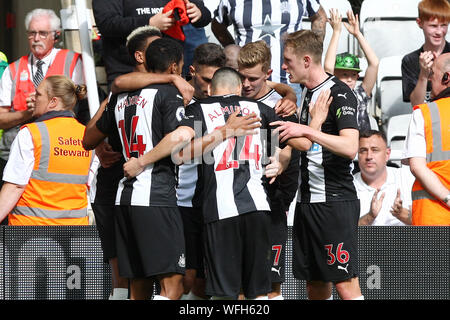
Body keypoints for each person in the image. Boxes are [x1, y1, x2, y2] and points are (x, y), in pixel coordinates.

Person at [83, 38, 188, 300]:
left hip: (124, 198)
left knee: (138, 286)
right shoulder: (168, 94)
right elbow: (180, 142)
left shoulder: (120, 98)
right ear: (175, 67)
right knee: (172, 285)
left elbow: (89, 139)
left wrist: (102, 147)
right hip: (155, 196)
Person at [272, 29, 363, 300]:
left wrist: (310, 131)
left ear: (307, 61)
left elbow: (350, 147)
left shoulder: (339, 93)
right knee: (315, 284)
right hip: (307, 203)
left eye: (288, 60)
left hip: (333, 201)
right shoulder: (306, 93)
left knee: (345, 285)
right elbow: (303, 144)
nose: (284, 66)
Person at [237, 39, 299, 300]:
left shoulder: (281, 106)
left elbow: (287, 147)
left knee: (271, 286)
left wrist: (281, 161)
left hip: (271, 202)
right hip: (237, 203)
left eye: (253, 78)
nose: (246, 84)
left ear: (268, 74)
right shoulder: (233, 99)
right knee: (239, 286)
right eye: (242, 77)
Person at [0, 9, 84, 201]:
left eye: (42, 33)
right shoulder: (13, 69)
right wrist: (27, 113)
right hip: (16, 155)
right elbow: (1, 119)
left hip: (59, 152)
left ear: (56, 36)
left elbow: (82, 106)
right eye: (32, 33)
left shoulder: (73, 61)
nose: (36, 38)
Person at [0, 75, 92, 225]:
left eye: (38, 94)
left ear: (53, 102)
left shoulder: (31, 133)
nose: (33, 98)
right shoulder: (87, 135)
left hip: (31, 231)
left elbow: (15, 185)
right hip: (74, 232)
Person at [92, 0, 211, 88]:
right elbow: (106, 24)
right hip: (128, 72)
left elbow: (205, 15)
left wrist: (198, 13)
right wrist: (149, 23)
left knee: (185, 120)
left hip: (172, 72)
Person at [211, 0, 326, 85]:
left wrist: (314, 55)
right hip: (247, 84)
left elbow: (319, 17)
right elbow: (217, 26)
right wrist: (237, 52)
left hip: (291, 82)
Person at [402, 52, 450, 226]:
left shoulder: (424, 113)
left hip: (432, 216)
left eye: (432, 75)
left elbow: (417, 167)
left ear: (447, 77)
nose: (430, 80)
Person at [324, 9, 379, 133]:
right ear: (335, 74)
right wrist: (336, 33)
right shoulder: (330, 93)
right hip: (341, 147)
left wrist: (358, 34)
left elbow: (374, 63)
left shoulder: (361, 93)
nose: (349, 79)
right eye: (344, 74)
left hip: (363, 147)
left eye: (353, 75)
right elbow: (328, 67)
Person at [355, 130, 413, 226]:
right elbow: (343, 233)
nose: (369, 156)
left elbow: (427, 223)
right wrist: (370, 217)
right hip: (365, 241)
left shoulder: (405, 177)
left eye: (375, 150)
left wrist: (402, 214)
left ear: (387, 154)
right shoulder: (349, 186)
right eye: (363, 151)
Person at [401, 0, 450, 106]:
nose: (439, 31)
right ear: (420, 23)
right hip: (427, 119)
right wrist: (423, 75)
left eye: (444, 25)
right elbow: (416, 105)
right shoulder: (410, 61)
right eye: (433, 26)